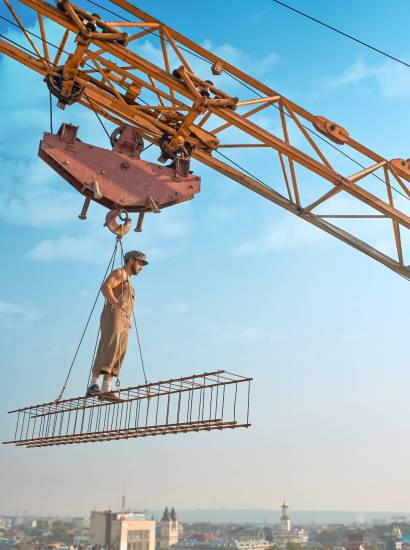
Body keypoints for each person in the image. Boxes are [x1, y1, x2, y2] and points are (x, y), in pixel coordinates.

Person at [86, 250, 148, 400]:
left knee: (120, 351)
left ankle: (106, 388)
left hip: (123, 319)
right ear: (130, 261)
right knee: (110, 346)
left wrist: (127, 319)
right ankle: (93, 385)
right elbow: (105, 287)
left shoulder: (129, 281)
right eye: (139, 263)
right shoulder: (120, 273)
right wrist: (116, 303)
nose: (141, 267)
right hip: (113, 313)